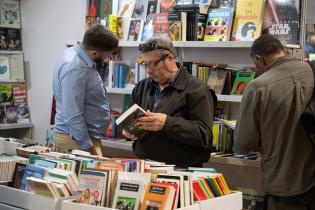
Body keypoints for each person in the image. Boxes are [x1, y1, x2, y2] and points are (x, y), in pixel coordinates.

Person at [233, 35, 315, 210]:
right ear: (283, 51)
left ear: (259, 59)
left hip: (284, 184)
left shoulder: (257, 87)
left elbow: (243, 144)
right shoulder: (312, 72)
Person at [122, 38, 214, 167]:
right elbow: (133, 119)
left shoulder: (197, 89)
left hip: (181, 170)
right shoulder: (143, 86)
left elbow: (205, 136)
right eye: (145, 64)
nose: (148, 70)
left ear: (170, 58)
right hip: (144, 165)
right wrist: (130, 131)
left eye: (153, 64)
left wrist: (167, 123)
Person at [53, 24, 118, 155]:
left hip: (80, 138)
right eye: (107, 55)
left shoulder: (76, 54)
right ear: (94, 53)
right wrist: (88, 149)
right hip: (76, 140)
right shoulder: (76, 68)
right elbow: (72, 114)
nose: (107, 58)